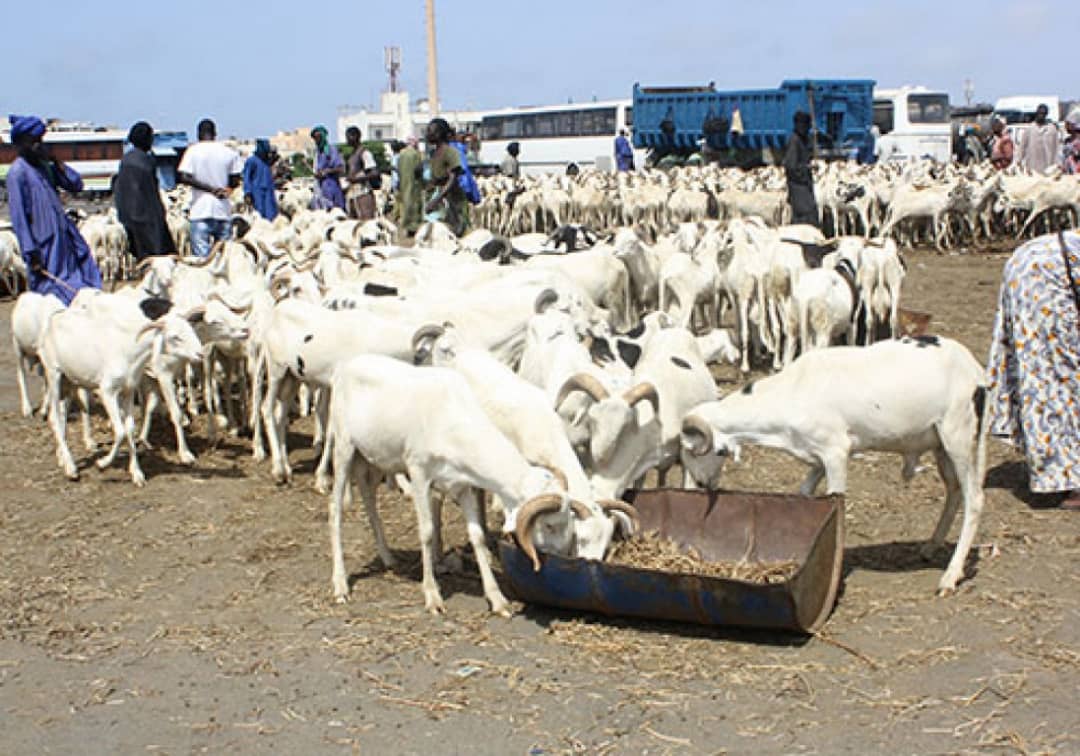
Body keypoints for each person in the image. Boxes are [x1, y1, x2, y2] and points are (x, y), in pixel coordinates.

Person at [987, 231, 1080, 510]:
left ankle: (1058, 466)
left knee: (1045, 370)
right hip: (1046, 273)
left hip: (1034, 263)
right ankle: (1069, 481)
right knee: (1057, 375)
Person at [6, 115, 101, 306]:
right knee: (51, 295)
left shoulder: (45, 168)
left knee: (81, 284)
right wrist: (30, 252)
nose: (37, 145)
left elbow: (76, 185)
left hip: (65, 240)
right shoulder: (17, 173)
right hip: (44, 246)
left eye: (39, 141)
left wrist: (57, 163)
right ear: (21, 144)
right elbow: (19, 218)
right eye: (32, 141)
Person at [177, 118, 242, 257]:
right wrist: (224, 189)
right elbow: (235, 179)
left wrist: (209, 189)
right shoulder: (229, 152)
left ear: (199, 134)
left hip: (200, 210)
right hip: (222, 211)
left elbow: (184, 177)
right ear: (215, 133)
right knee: (225, 258)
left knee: (202, 261)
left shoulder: (193, 151)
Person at [114, 121, 177, 260]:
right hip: (147, 217)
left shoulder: (126, 160)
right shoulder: (145, 161)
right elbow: (150, 192)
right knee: (159, 256)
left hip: (129, 216)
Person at [424, 118, 468, 235]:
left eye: (431, 131)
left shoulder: (450, 152)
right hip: (438, 197)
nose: (428, 134)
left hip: (452, 199)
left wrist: (436, 200)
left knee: (453, 233)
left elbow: (452, 179)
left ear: (440, 134)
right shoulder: (433, 153)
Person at [783, 111, 819, 227]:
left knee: (809, 213)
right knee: (805, 215)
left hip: (804, 185)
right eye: (806, 126)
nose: (807, 129)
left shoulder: (802, 140)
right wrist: (807, 167)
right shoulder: (794, 141)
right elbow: (791, 166)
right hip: (798, 187)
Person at [344, 126, 378, 220]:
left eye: (348, 136)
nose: (347, 139)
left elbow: (374, 173)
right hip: (353, 194)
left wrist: (356, 179)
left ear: (355, 136)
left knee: (366, 223)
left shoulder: (365, 153)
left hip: (363, 193)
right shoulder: (352, 154)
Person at [1015, 104, 1060, 174]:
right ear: (1037, 113)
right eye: (1040, 113)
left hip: (1048, 167)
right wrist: (1018, 160)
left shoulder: (1052, 129)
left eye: (1044, 113)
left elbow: (1057, 147)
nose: (1041, 115)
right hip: (1032, 167)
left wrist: (1058, 163)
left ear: (1046, 114)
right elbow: (1022, 147)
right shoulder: (1030, 129)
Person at [242, 138, 278, 221]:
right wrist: (247, 192)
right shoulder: (251, 161)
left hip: (269, 191)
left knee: (271, 214)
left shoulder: (267, 161)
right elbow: (246, 177)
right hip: (257, 192)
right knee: (259, 215)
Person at [311, 125, 345, 210]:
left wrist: (326, 171)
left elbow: (340, 168)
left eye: (318, 137)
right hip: (320, 187)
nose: (316, 141)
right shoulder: (317, 153)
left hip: (331, 185)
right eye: (315, 138)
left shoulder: (331, 150)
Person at [395, 136, 424, 237]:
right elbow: (418, 169)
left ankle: (407, 227)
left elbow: (397, 169)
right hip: (414, 183)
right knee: (415, 206)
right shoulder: (416, 154)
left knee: (405, 204)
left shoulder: (401, 154)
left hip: (404, 183)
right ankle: (413, 228)